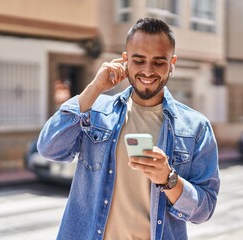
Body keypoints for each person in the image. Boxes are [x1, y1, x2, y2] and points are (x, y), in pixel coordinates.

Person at [37, 18, 220, 240]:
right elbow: (49, 148)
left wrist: (168, 178)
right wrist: (94, 89)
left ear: (172, 63)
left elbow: (205, 210)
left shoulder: (196, 127)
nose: (148, 71)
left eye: (159, 62)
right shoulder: (97, 111)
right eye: (139, 60)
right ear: (125, 60)